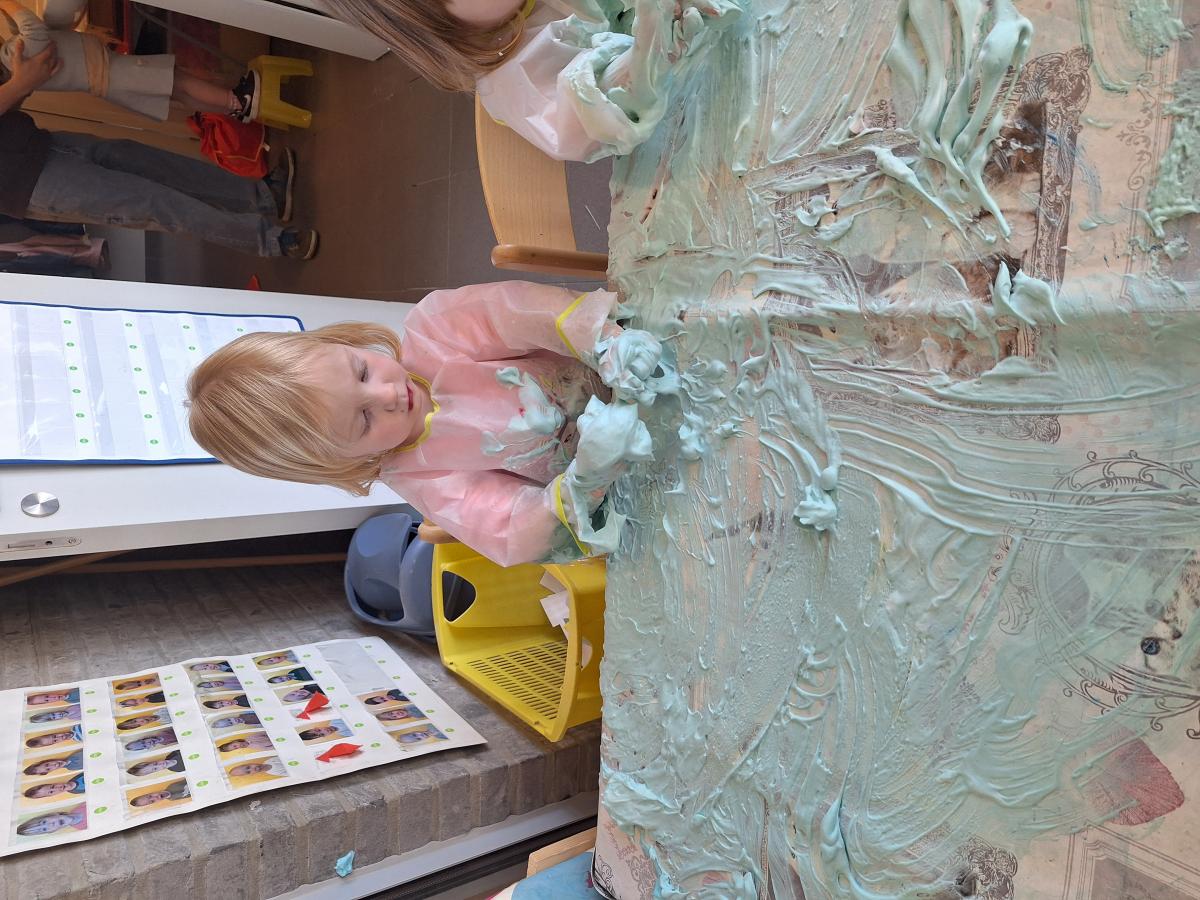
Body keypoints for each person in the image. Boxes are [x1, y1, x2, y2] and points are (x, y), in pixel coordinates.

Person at [187, 283, 659, 566]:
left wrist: (602, 341)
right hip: (631, 474)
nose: (388, 395)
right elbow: (513, 530)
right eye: (364, 420)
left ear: (341, 341)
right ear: (341, 461)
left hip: (631, 359)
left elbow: (518, 311)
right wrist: (588, 475)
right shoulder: (420, 476)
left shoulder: (436, 328)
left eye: (361, 371)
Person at [0, 33, 317, 260]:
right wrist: (20, 84)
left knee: (152, 164)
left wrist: (22, 86)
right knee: (153, 202)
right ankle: (272, 240)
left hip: (33, 142)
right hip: (25, 182)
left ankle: (265, 195)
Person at [318, 0, 737, 161]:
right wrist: (650, 40)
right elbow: (600, 116)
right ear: (432, 30)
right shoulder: (513, 82)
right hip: (697, 123)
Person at [0, 2, 259, 122]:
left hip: (108, 77)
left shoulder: (11, 68)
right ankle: (237, 101)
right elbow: (34, 28)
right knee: (177, 81)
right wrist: (7, 4)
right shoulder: (14, 56)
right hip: (110, 73)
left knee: (177, 90)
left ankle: (233, 110)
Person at [15, 804, 86, 835]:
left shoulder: (81, 806)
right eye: (44, 829)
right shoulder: (83, 830)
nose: (50, 824)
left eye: (44, 822)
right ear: (53, 831)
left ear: (52, 815)